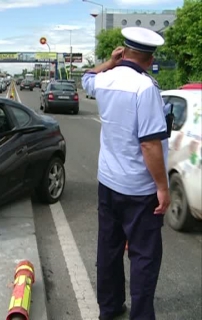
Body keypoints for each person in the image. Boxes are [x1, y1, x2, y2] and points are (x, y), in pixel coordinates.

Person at [82, 27, 171, 320]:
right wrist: (163, 187)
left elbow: (87, 78)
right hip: (140, 190)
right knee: (144, 257)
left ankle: (109, 309)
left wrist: (110, 62)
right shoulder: (145, 88)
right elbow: (149, 143)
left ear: (124, 52)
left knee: (108, 250)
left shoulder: (106, 79)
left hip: (108, 183)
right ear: (150, 58)